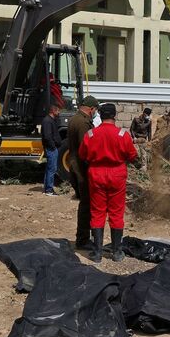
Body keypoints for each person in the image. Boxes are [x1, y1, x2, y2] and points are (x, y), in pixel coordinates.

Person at [78, 103, 138, 263]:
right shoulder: (122, 135)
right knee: (116, 212)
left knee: (97, 212)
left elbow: (82, 155)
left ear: (100, 115)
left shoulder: (90, 134)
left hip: (96, 174)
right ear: (114, 116)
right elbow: (132, 156)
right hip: (117, 174)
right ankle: (117, 252)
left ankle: (97, 253)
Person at [66, 95, 100, 249]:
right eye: (94, 110)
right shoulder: (83, 123)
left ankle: (84, 237)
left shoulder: (74, 119)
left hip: (74, 164)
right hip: (82, 168)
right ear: (91, 109)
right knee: (87, 204)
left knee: (85, 202)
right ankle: (83, 239)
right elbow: (86, 147)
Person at [41, 104, 62, 196]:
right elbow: (47, 136)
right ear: (53, 111)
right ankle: (49, 190)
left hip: (52, 148)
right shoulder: (47, 121)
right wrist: (53, 147)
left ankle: (47, 188)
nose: (59, 112)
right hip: (51, 149)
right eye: (58, 111)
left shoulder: (50, 120)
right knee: (52, 169)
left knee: (50, 168)